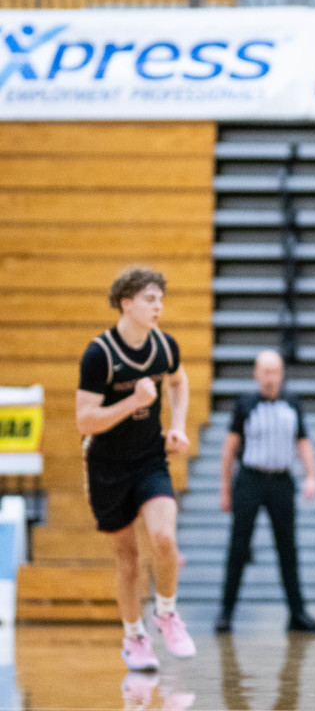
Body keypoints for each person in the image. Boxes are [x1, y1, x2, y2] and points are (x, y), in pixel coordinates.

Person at [75, 267, 195, 670]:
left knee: (163, 536)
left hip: (150, 459)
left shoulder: (165, 347)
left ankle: (166, 613)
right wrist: (132, 401)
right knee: (127, 559)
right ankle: (134, 637)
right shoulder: (100, 355)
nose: (158, 306)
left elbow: (179, 382)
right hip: (106, 465)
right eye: (149, 299)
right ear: (126, 303)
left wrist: (177, 426)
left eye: (161, 299)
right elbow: (85, 421)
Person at [215, 350, 315, 634]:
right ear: (256, 374)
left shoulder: (292, 403)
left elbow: (303, 441)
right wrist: (224, 488)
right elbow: (229, 448)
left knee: (288, 548)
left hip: (281, 481)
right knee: (238, 547)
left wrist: (311, 475)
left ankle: (297, 614)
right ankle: (226, 613)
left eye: (274, 371)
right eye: (264, 371)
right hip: (249, 479)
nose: (269, 377)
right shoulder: (245, 404)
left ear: (282, 374)